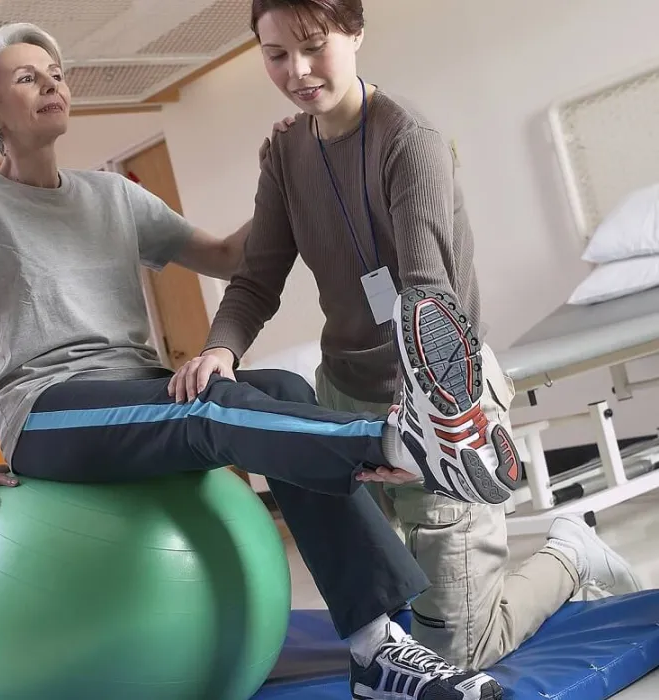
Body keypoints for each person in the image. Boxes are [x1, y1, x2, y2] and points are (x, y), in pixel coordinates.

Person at [0, 21, 515, 700]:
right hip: (48, 411)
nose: (52, 83)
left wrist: (285, 173)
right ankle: (400, 443)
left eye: (56, 72)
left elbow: (229, 258)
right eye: (28, 77)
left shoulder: (111, 195)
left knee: (283, 385)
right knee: (210, 407)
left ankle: (375, 650)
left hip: (136, 389)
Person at [169, 0, 642, 676]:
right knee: (388, 631)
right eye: (276, 54)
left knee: (457, 651)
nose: (297, 71)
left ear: (356, 33)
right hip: (344, 400)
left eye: (313, 46)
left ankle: (568, 555)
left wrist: (415, 424)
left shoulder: (407, 139)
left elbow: (430, 301)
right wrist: (221, 348)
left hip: (442, 406)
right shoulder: (284, 154)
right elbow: (254, 282)